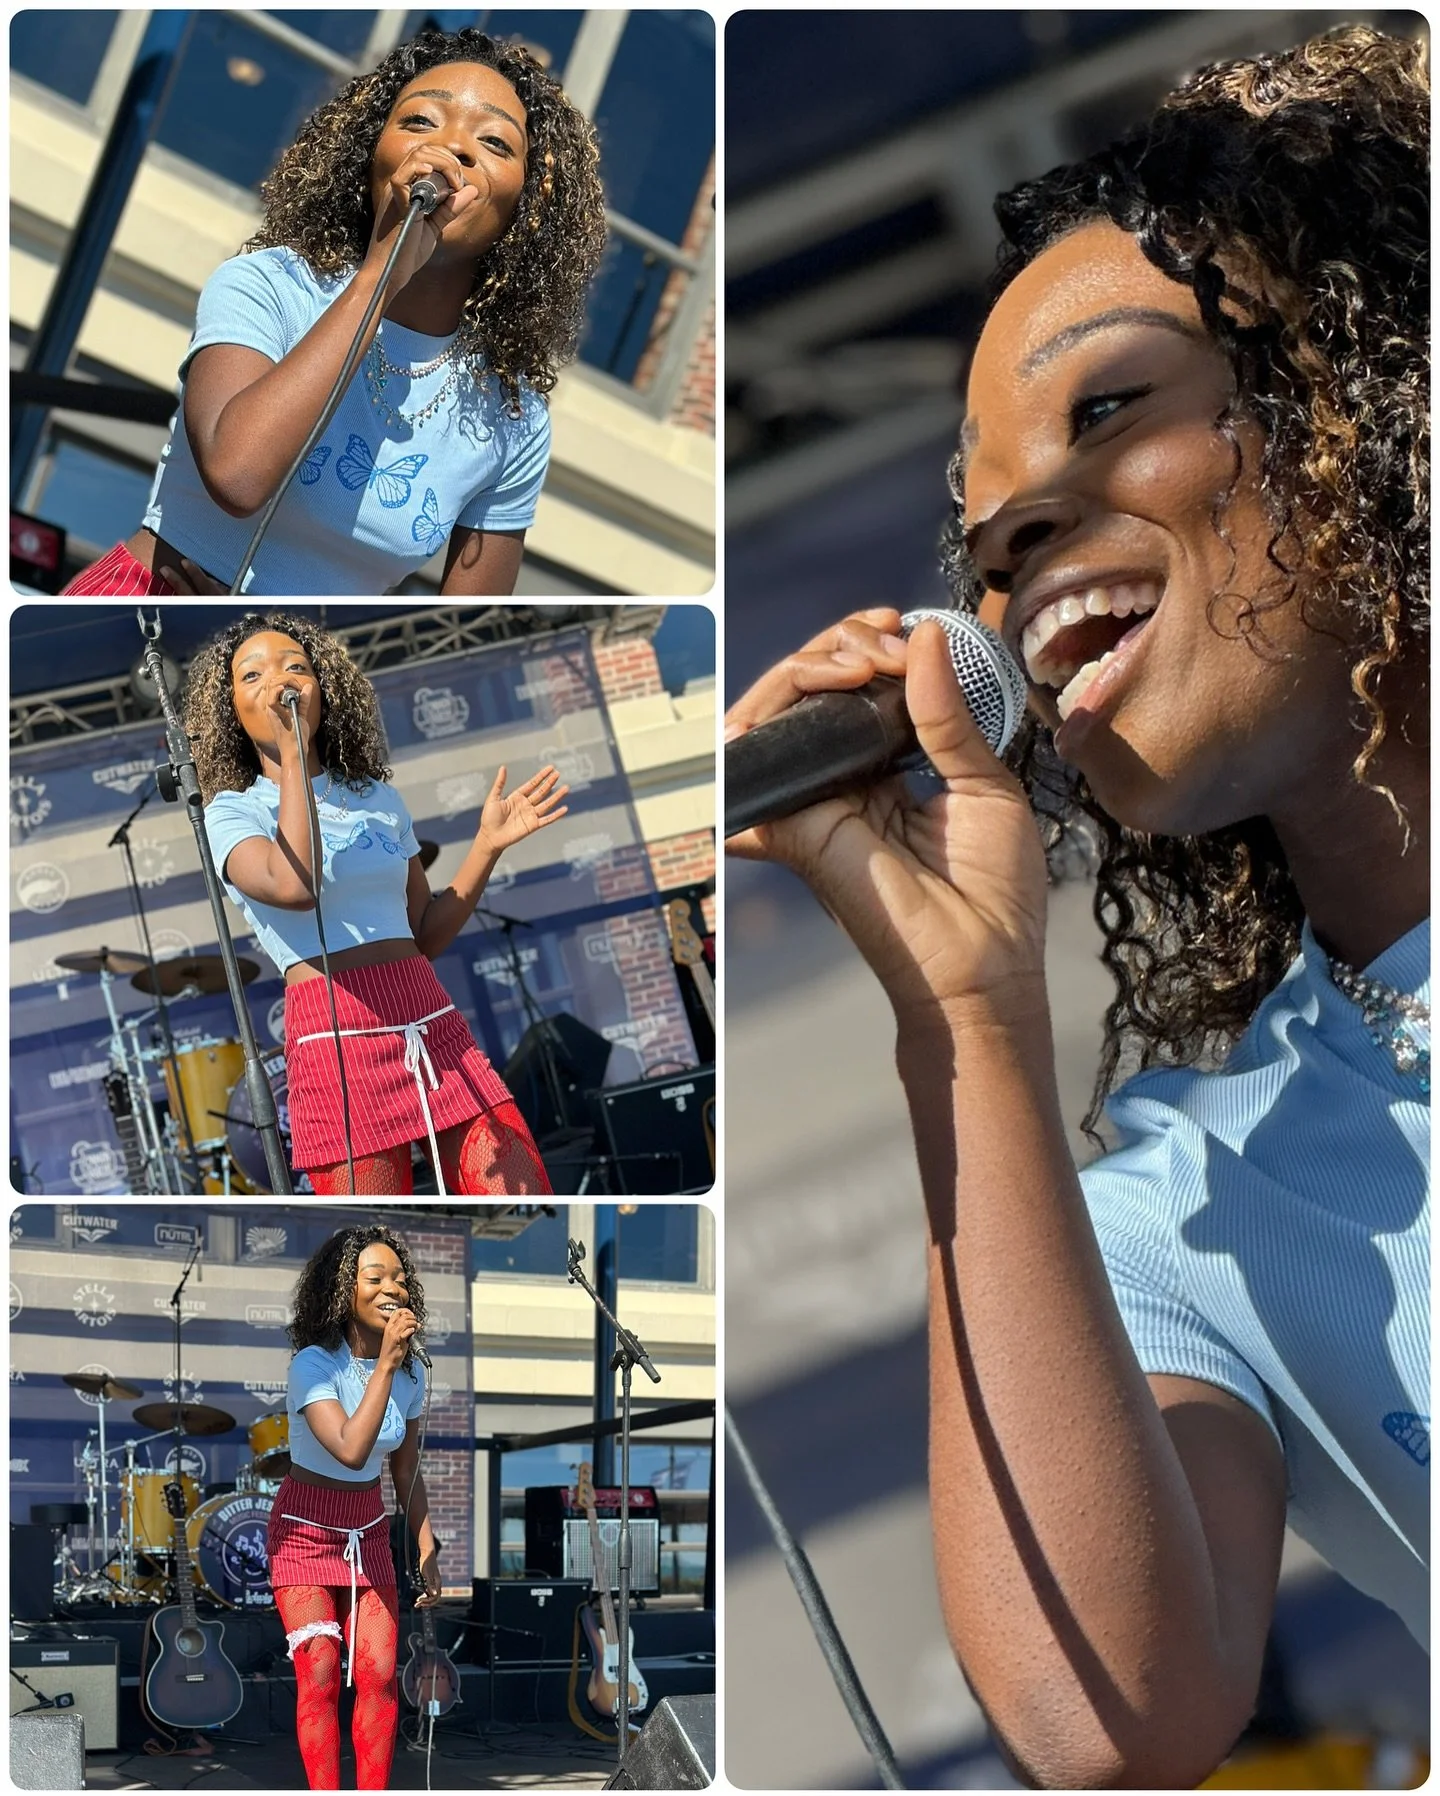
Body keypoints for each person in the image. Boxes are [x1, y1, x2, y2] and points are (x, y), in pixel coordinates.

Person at [726, 26, 1427, 1789]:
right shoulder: (1200, 1212)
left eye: (1106, 407)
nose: (1011, 534)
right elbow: (1102, 1714)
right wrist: (959, 1016)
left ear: (1370, 389)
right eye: (972, 535)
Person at [61, 27, 606, 597]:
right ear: (370, 154)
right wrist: (381, 275)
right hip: (144, 618)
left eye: (495, 142)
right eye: (420, 121)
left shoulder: (513, 414)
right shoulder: (271, 285)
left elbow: (465, 623)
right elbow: (238, 475)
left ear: (529, 205)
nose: (455, 148)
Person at [186, 610, 568, 1195]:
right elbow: (294, 886)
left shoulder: (375, 796)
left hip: (428, 1015)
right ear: (231, 711)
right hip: (334, 1033)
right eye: (253, 676)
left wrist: (486, 846)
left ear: (323, 688)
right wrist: (293, 757)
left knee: (518, 1186)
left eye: (296, 667)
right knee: (372, 1228)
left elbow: (425, 935)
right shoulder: (233, 813)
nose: (280, 683)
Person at [268, 1225, 434, 1790]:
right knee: (317, 1673)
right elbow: (349, 1448)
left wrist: (426, 1542)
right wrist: (385, 1363)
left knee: (379, 1675)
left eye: (399, 1278)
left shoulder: (410, 1374)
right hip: (304, 1533)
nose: (393, 1287)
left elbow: (404, 1468)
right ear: (344, 1289)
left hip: (367, 1528)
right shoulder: (313, 1365)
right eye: (375, 1277)